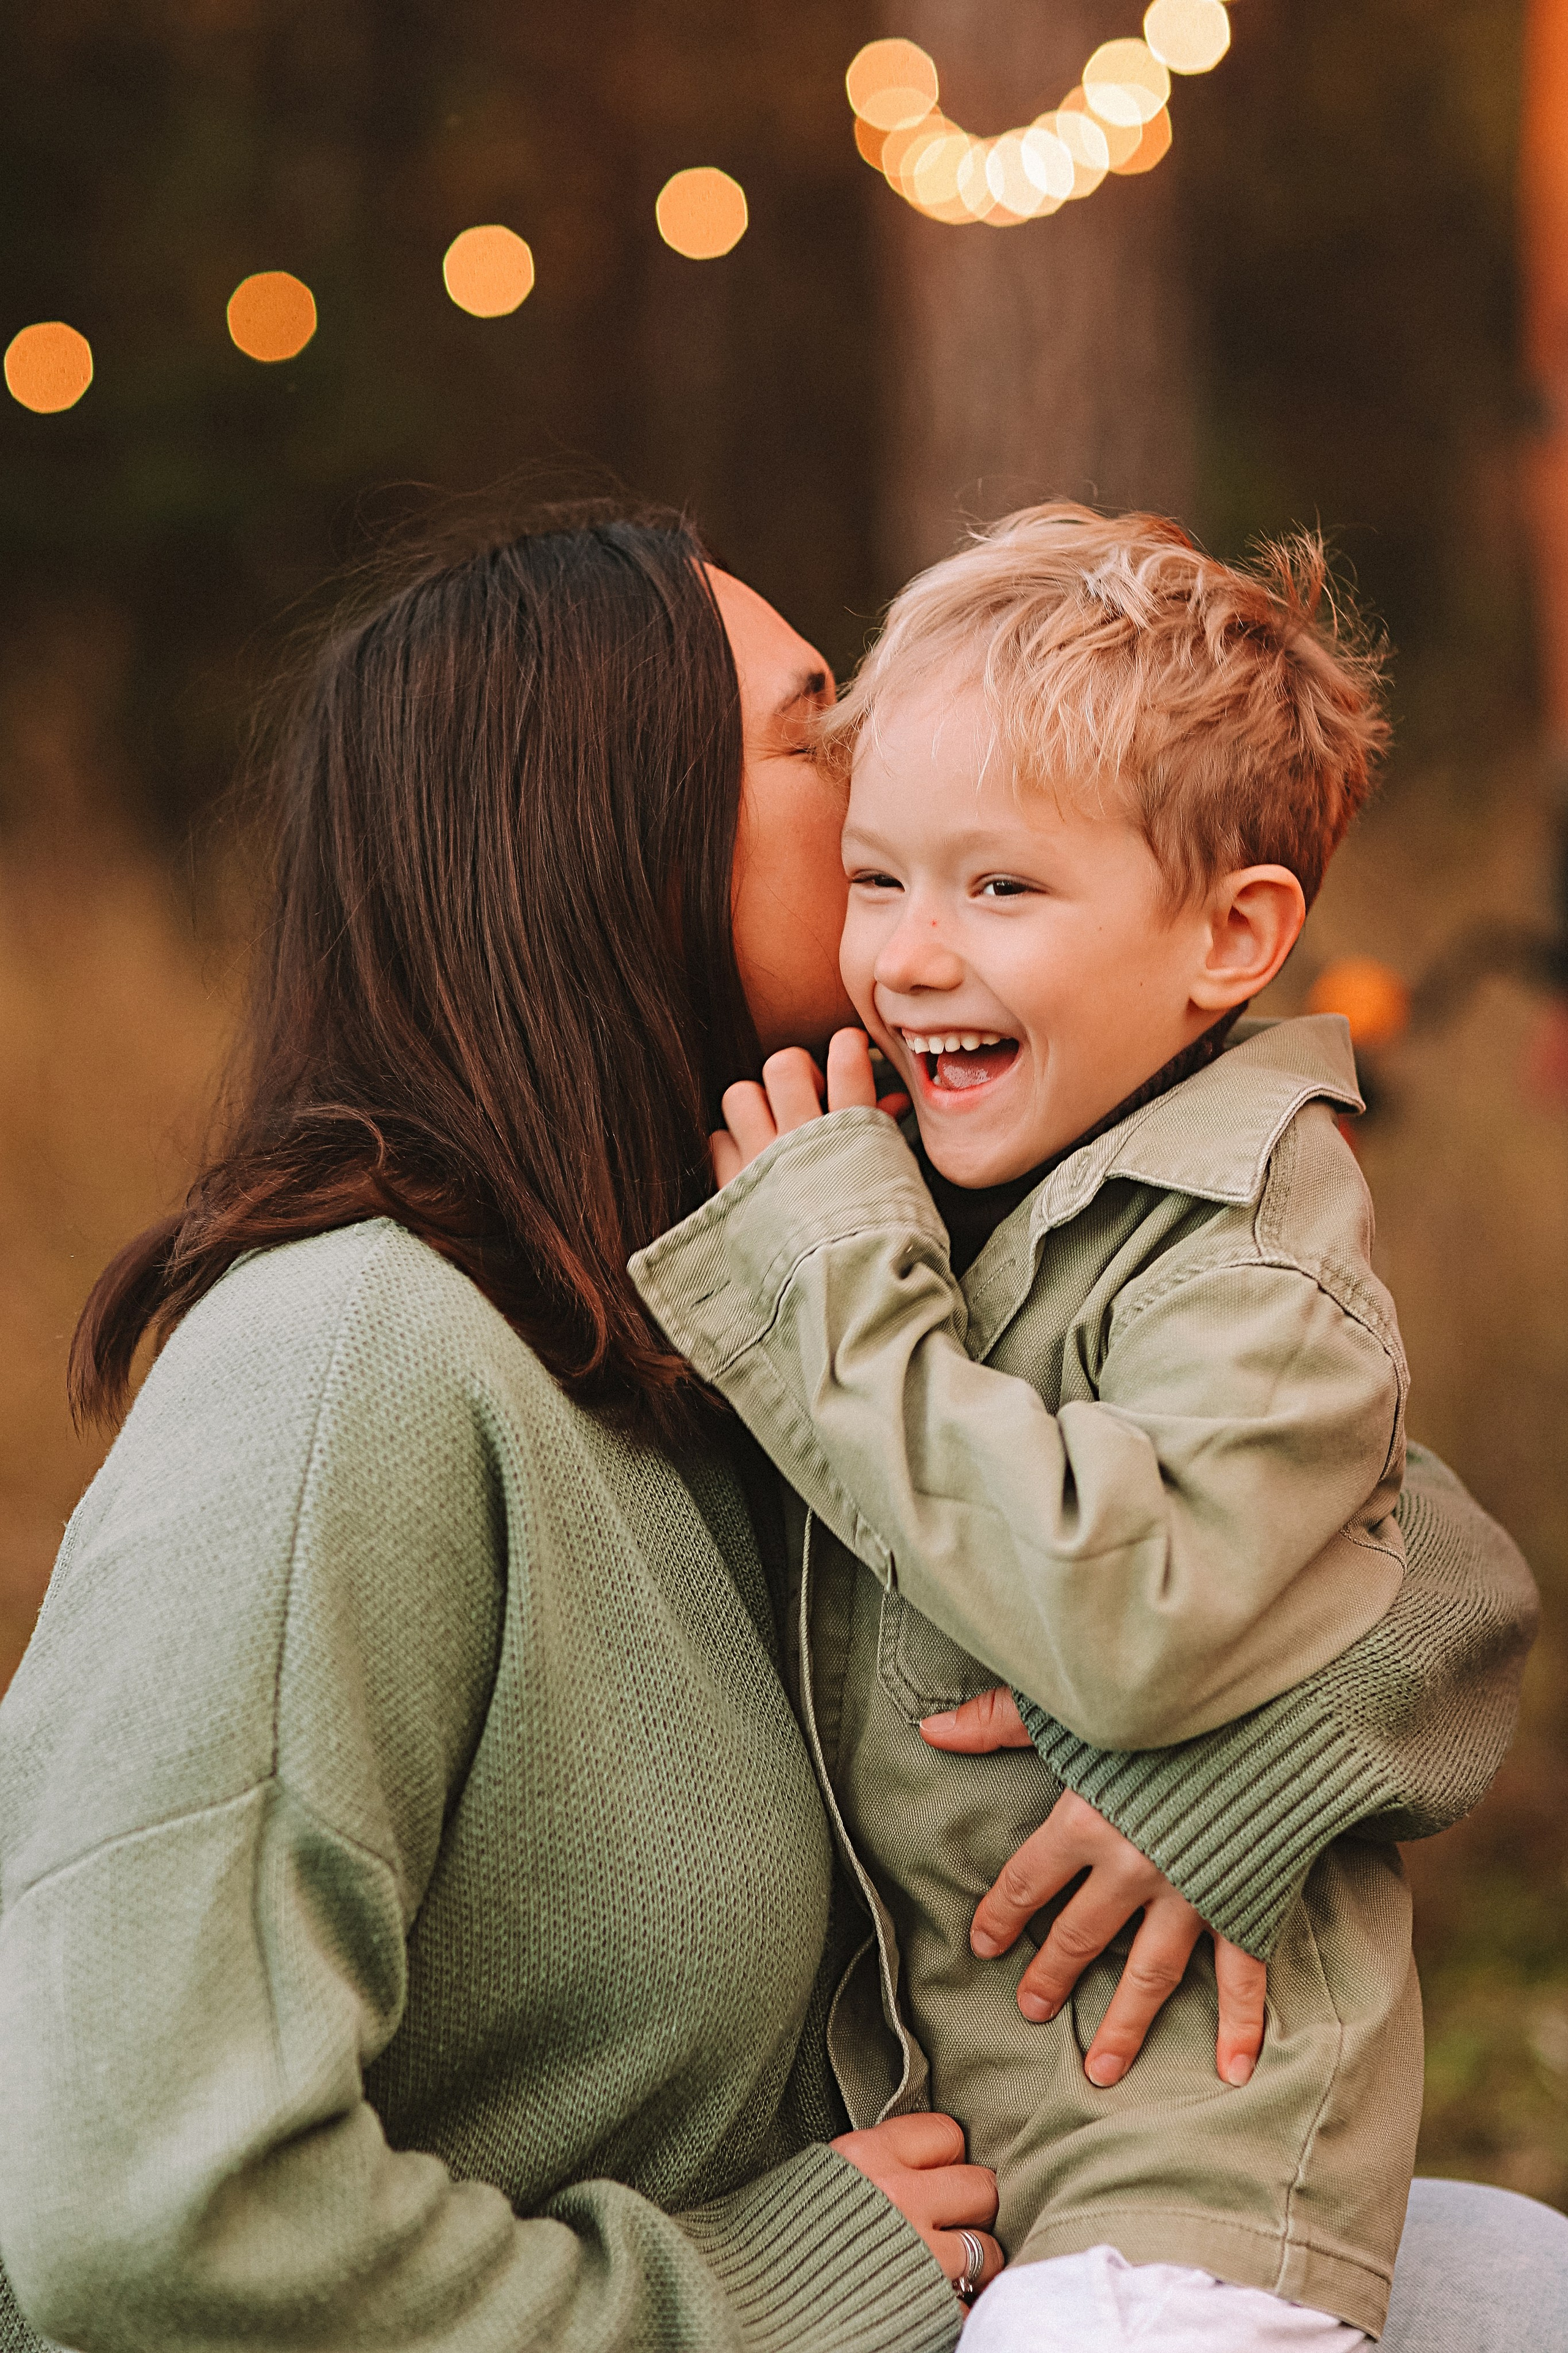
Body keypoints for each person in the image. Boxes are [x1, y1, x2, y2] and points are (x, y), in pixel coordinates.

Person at [0, 502, 1550, 2353]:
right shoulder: (343, 1365)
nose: (895, 751)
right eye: (819, 732)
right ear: (611, 831)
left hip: (991, 2241)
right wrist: (756, 2290)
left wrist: (1222, 1763)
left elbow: (1415, 1537)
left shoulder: (802, 1251)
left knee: (1507, 2273)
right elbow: (138, 2204)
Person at [629, 505, 1542, 2348]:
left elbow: (1127, 1606)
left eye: (1003, 890)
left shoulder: (1240, 1243)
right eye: (878, 879)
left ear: (1230, 934)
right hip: (1010, 2184)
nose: (911, 954)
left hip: (1181, 2198)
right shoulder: (1000, 1169)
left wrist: (829, 1283)